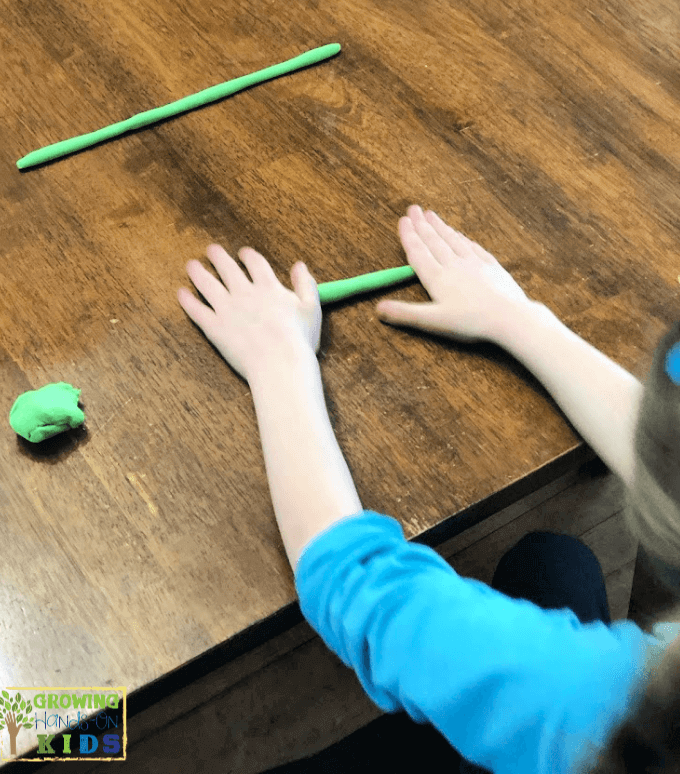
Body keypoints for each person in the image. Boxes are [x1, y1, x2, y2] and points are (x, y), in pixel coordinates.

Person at [176, 205, 680, 773]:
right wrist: (516, 318)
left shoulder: (594, 703)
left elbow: (358, 585)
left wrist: (278, 359)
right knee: (556, 564)